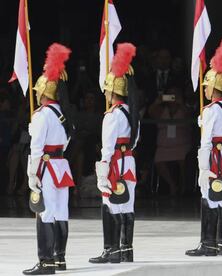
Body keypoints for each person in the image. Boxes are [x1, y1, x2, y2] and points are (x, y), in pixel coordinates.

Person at [186, 38, 222, 256]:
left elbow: (206, 141)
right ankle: (221, 243)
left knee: (209, 197)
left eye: (206, 86)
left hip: (213, 158)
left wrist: (202, 167)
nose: (205, 90)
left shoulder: (211, 110)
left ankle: (207, 244)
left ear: (213, 86)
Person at [23, 43, 74, 275]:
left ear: (44, 92)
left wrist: (32, 173)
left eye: (37, 91)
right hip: (61, 166)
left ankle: (45, 262)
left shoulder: (42, 116)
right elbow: (66, 142)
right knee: (61, 212)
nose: (36, 93)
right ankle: (59, 258)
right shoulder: (63, 114)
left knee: (45, 212)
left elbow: (35, 148)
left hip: (47, 168)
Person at [89, 43, 140, 264]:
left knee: (110, 205)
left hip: (115, 165)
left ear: (112, 90)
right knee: (127, 206)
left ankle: (111, 250)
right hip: (128, 163)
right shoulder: (131, 113)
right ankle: (126, 249)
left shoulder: (112, 115)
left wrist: (102, 173)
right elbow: (134, 141)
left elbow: (107, 148)